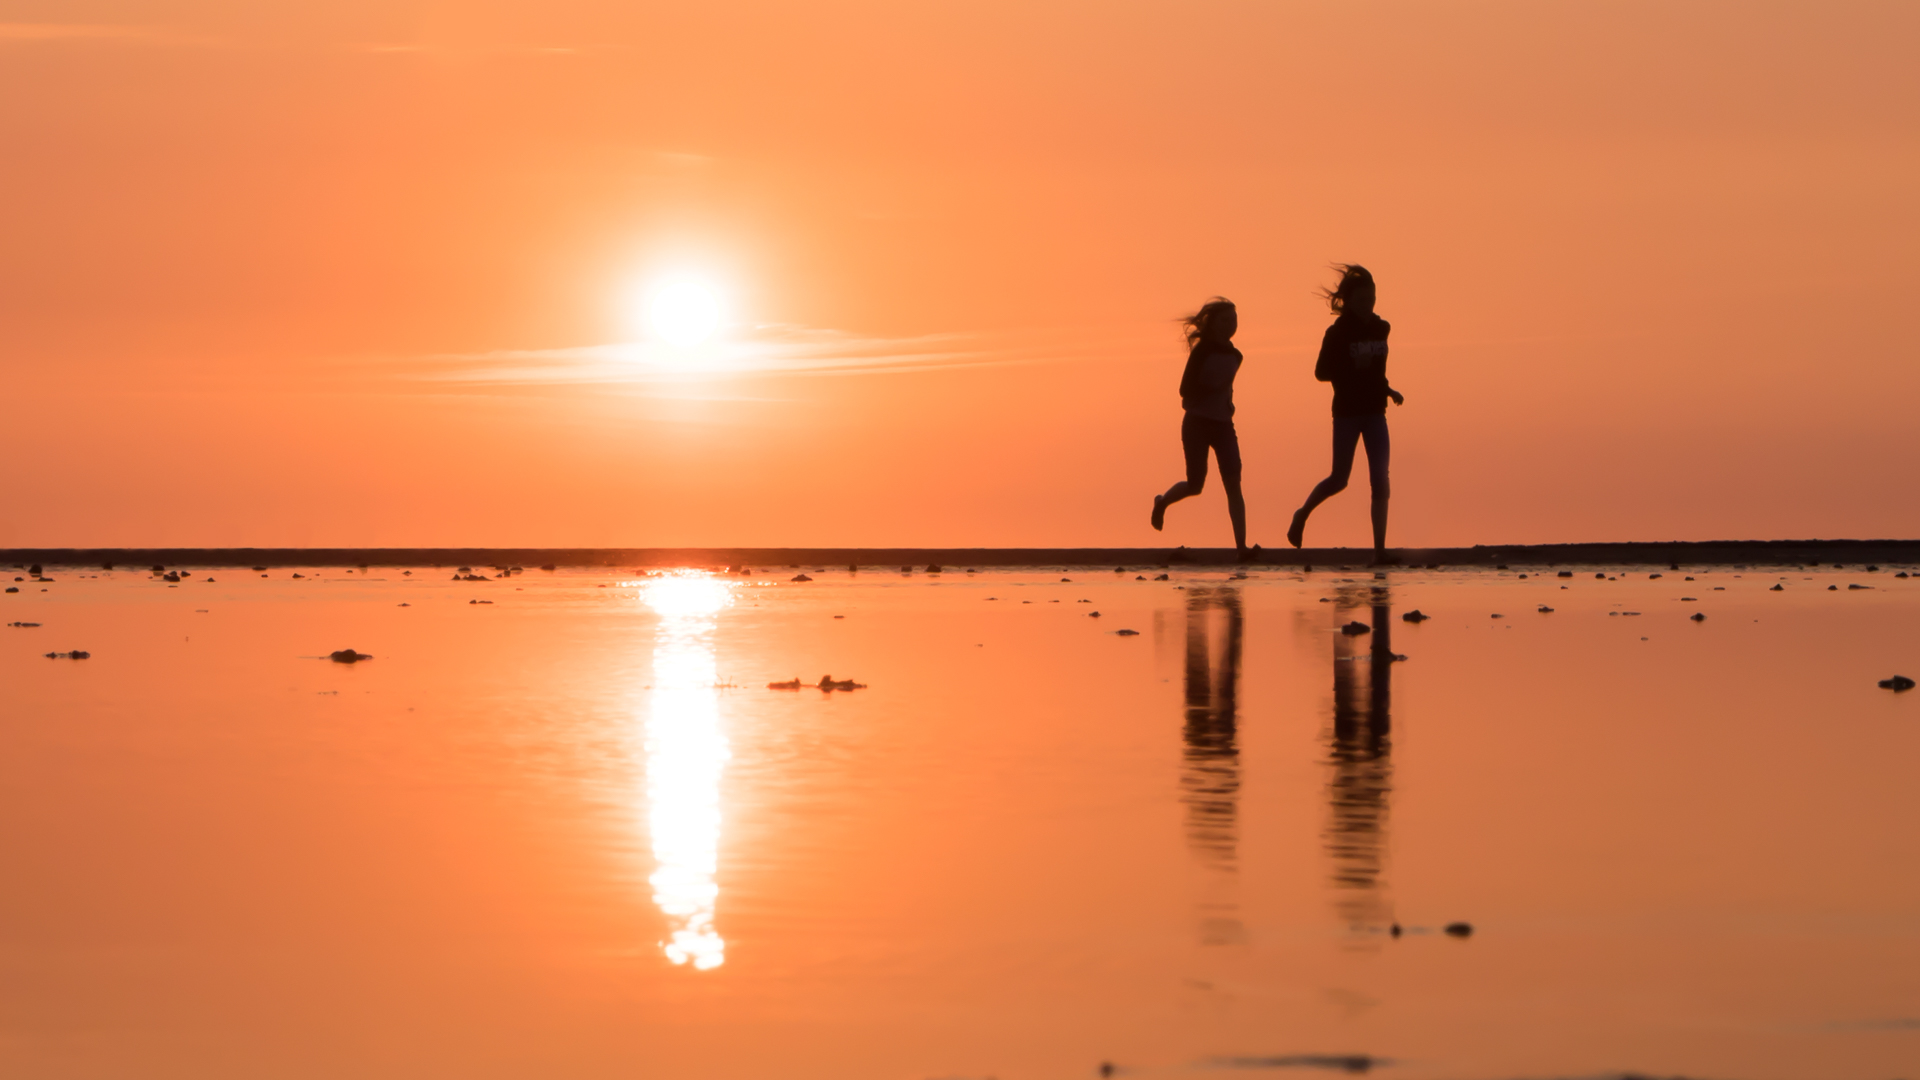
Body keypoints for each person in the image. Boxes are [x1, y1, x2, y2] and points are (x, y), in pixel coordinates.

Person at [1287, 265, 1403, 559]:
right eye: (1362, 300)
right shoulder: (1337, 333)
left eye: (1372, 299)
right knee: (1340, 478)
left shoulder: (1381, 328)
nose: (1368, 305)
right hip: (1347, 413)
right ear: (1348, 301)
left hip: (1376, 412)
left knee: (1380, 478)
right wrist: (1353, 367)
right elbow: (1321, 372)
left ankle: (1379, 550)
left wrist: (1389, 390)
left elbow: (1377, 371)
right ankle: (1302, 514)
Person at [1150, 298, 1253, 555]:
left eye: (1234, 320)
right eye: (1225, 320)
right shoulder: (1201, 352)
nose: (1230, 324)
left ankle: (1241, 548)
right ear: (1212, 323)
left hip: (1224, 425)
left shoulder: (1235, 356)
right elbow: (1184, 391)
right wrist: (1209, 388)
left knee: (1233, 483)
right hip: (1197, 422)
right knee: (1195, 485)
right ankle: (1162, 503)